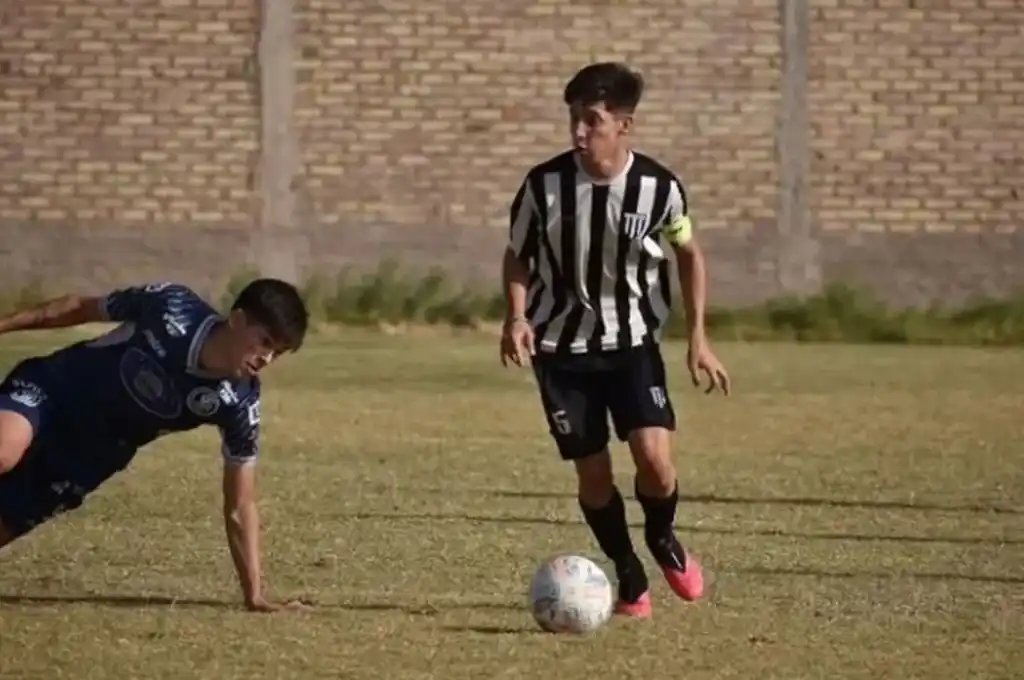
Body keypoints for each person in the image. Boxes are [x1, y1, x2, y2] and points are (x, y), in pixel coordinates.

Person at [499, 62, 731, 618]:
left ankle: (661, 536)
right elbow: (517, 255)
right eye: (574, 119)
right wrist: (517, 317)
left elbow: (689, 254)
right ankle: (628, 572)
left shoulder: (658, 188)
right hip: (560, 351)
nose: (579, 131)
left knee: (655, 460)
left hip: (632, 345)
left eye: (593, 120)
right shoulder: (543, 186)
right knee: (595, 473)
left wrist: (698, 338)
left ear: (624, 125)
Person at [0, 277, 309, 612]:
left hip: (94, 454)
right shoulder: (171, 306)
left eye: (277, 352)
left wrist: (255, 595)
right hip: (54, 391)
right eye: (265, 341)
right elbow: (78, 307)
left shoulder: (239, 401)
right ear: (237, 319)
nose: (267, 358)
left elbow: (240, 503)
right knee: (4, 453)